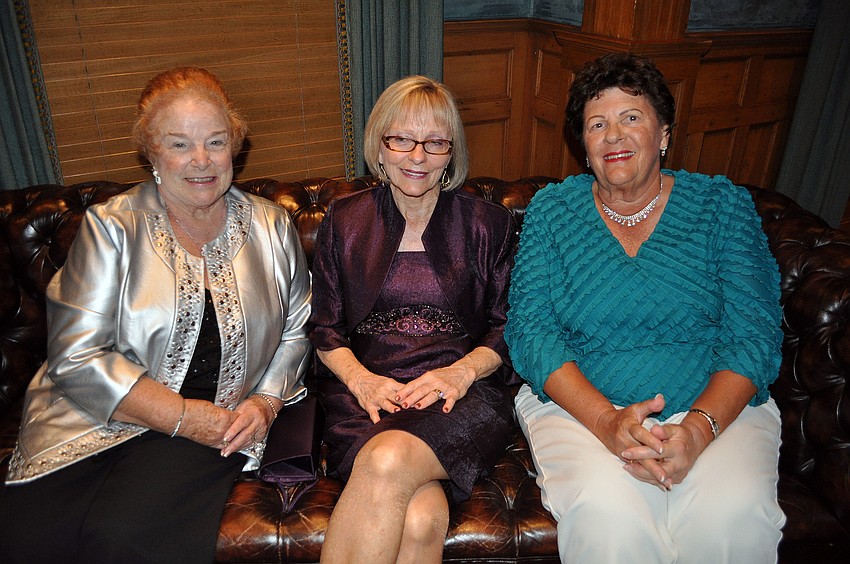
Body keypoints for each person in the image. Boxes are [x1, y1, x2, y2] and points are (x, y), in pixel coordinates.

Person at [0, 67, 312, 563]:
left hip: (217, 419)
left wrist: (266, 402)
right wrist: (181, 417)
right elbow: (77, 355)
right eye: (179, 144)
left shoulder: (271, 225)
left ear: (234, 147)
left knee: (122, 537)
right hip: (92, 413)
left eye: (215, 142)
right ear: (151, 153)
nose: (201, 160)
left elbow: (297, 331)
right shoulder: (112, 227)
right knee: (27, 536)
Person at [505, 53, 785, 563]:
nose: (612, 135)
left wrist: (697, 430)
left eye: (630, 117)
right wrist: (607, 422)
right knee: (611, 518)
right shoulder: (551, 212)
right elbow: (531, 333)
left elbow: (754, 334)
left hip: (717, 408)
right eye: (597, 124)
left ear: (663, 134)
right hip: (584, 410)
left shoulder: (720, 207)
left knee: (733, 517)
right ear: (583, 145)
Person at [308, 75, 519, 563]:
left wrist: (461, 373)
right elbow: (325, 328)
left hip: (459, 395)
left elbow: (508, 326)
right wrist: (362, 382)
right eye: (401, 139)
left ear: (451, 153)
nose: (417, 157)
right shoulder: (344, 220)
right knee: (422, 518)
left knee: (387, 460)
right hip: (368, 397)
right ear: (379, 148)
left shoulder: (488, 224)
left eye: (435, 143)